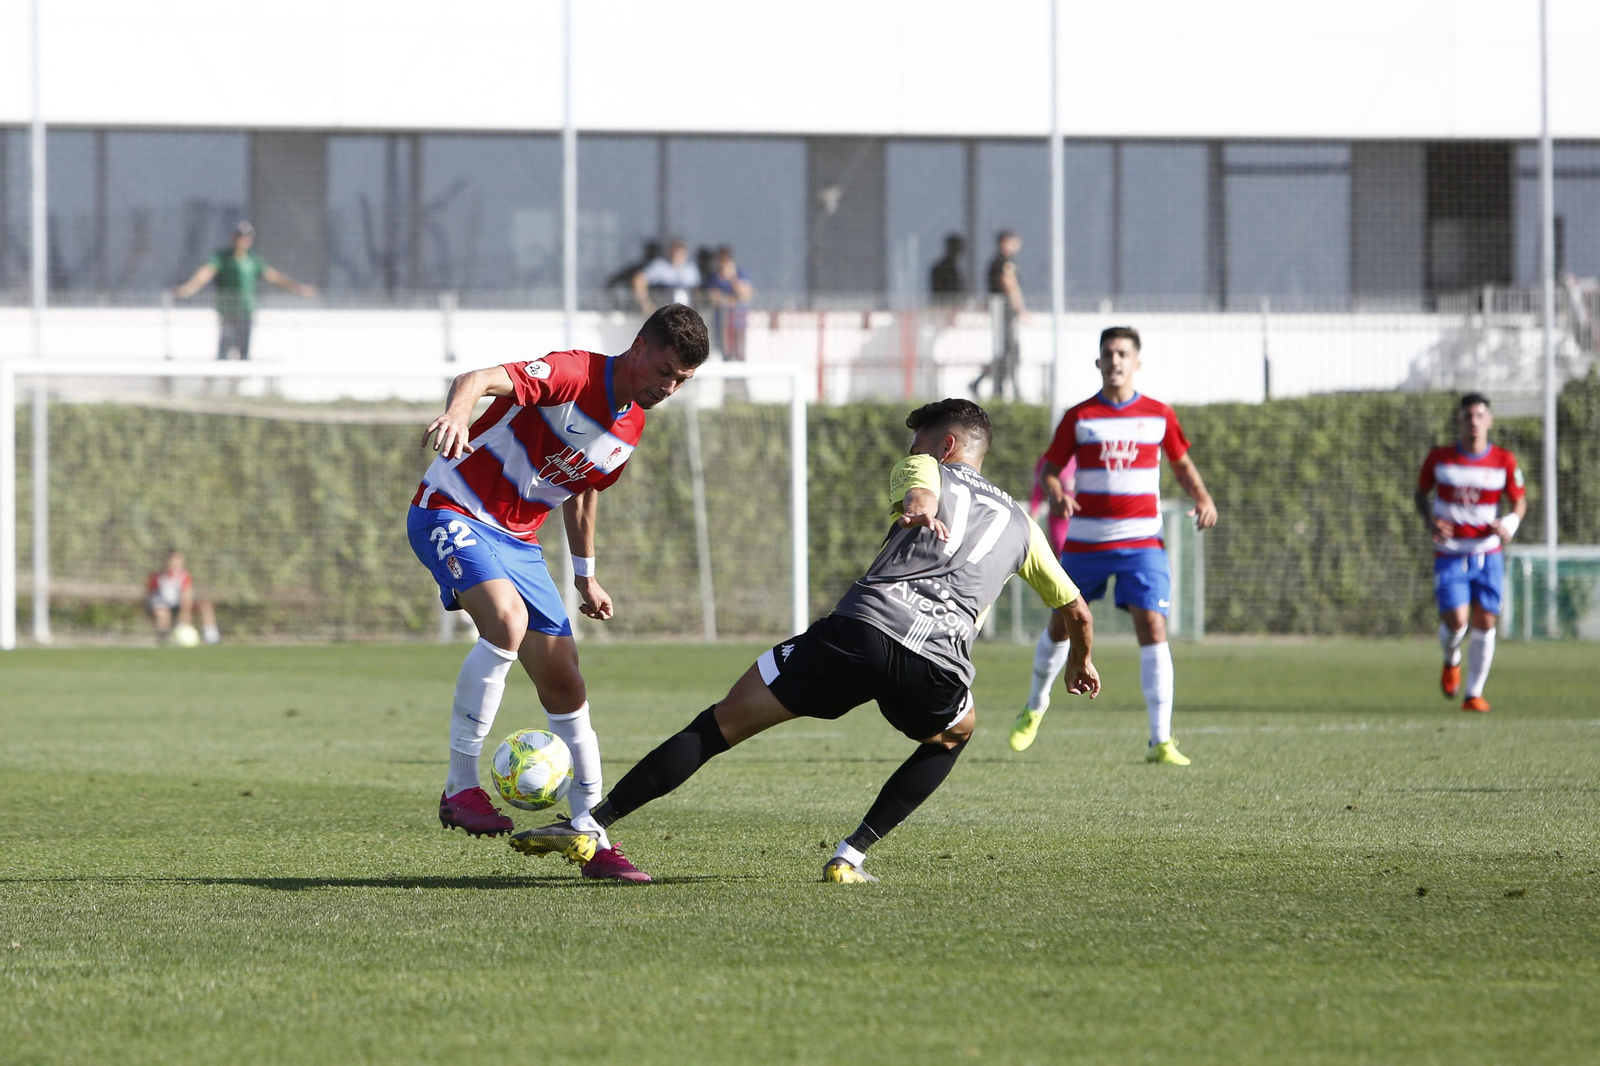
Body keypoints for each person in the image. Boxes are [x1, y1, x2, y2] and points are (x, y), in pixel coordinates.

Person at [507, 399, 1101, 883]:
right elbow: (1076, 609)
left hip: (861, 632)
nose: (911, 454)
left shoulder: (928, 468)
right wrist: (1081, 661)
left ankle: (594, 821)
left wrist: (919, 509)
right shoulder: (1023, 525)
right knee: (954, 735)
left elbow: (919, 494)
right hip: (937, 664)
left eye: (918, 444)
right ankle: (851, 855)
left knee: (717, 726)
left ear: (946, 446)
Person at [410, 304, 710, 882]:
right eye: (666, 371)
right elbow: (476, 380)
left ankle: (588, 832)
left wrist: (584, 574)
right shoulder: (573, 372)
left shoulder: (631, 426)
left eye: (682, 382)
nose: (669, 388)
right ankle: (460, 787)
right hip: (451, 508)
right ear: (641, 346)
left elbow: (582, 489)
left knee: (566, 681)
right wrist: (455, 414)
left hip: (519, 543)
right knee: (505, 621)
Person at [1010, 326, 1218, 765]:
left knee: (1154, 627)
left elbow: (1181, 465)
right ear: (1099, 362)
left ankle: (1160, 740)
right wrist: (1056, 491)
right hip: (1086, 544)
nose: (1116, 360)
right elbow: (1049, 470)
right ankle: (1034, 705)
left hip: (1143, 543)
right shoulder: (1080, 417)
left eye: (1124, 353)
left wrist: (1203, 497)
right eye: (1109, 353)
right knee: (1060, 625)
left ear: (1137, 362)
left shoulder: (1159, 414)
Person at [1414, 393, 1526, 713]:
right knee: (1457, 621)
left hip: (1488, 552)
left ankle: (1473, 694)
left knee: (1486, 620)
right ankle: (1451, 659)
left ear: (1489, 420)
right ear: (1459, 421)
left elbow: (1519, 500)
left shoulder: (1504, 461)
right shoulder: (1440, 459)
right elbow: (1420, 494)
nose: (1473, 422)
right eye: (1467, 416)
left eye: (1479, 415)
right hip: (1450, 552)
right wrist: (1431, 520)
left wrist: (1511, 522)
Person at [172, 221, 316, 360]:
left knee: (243, 347)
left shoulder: (253, 260)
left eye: (245, 238)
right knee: (226, 344)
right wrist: (189, 288)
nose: (242, 241)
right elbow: (206, 272)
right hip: (228, 310)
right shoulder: (223, 258)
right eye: (239, 237)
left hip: (246, 310)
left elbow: (274, 276)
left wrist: (298, 288)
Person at [971, 230, 1027, 401]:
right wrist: (1021, 308)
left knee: (1005, 353)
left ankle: (988, 384)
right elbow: (1009, 283)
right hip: (1004, 313)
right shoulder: (1003, 262)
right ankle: (1006, 391)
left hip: (1002, 313)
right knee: (1009, 352)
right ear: (1005, 242)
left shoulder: (998, 261)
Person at [146, 549, 219, 645]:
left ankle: (212, 638)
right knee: (162, 613)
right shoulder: (157, 576)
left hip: (179, 604)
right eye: (173, 560)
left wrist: (184, 616)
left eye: (179, 560)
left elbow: (187, 596)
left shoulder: (184, 576)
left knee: (205, 605)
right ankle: (163, 640)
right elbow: (149, 595)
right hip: (163, 605)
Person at [631, 239, 702, 313]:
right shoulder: (659, 266)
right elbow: (639, 280)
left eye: (681, 253)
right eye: (676, 253)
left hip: (685, 312)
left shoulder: (691, 269)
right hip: (663, 311)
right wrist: (646, 304)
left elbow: (697, 291)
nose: (678, 256)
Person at [929, 233, 968, 306]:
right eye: (955, 248)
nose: (957, 251)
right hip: (944, 308)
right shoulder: (940, 269)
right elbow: (939, 293)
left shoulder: (957, 269)